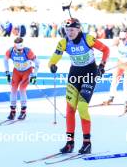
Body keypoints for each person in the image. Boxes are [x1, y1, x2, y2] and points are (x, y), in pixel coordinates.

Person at [48, 18, 110, 154]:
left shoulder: (87, 39)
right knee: (70, 109)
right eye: (67, 30)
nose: (69, 32)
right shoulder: (63, 42)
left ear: (78, 29)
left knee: (82, 107)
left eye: (72, 30)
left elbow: (106, 49)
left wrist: (102, 65)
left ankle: (87, 143)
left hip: (89, 73)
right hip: (74, 74)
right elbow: (55, 57)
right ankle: (70, 143)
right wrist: (52, 65)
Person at [103, 28, 127, 113]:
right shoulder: (117, 41)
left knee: (126, 84)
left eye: (124, 39)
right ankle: (111, 98)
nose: (122, 40)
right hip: (120, 64)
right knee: (114, 81)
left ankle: (126, 102)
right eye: (121, 38)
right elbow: (107, 47)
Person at [4, 37, 39, 120]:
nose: (21, 51)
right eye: (19, 50)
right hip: (16, 71)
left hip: (27, 71)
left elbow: (38, 62)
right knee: (13, 89)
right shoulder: (10, 51)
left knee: (22, 89)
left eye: (22, 49)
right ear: (15, 47)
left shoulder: (27, 51)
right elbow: (5, 60)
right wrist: (7, 73)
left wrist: (34, 75)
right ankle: (12, 111)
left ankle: (23, 112)